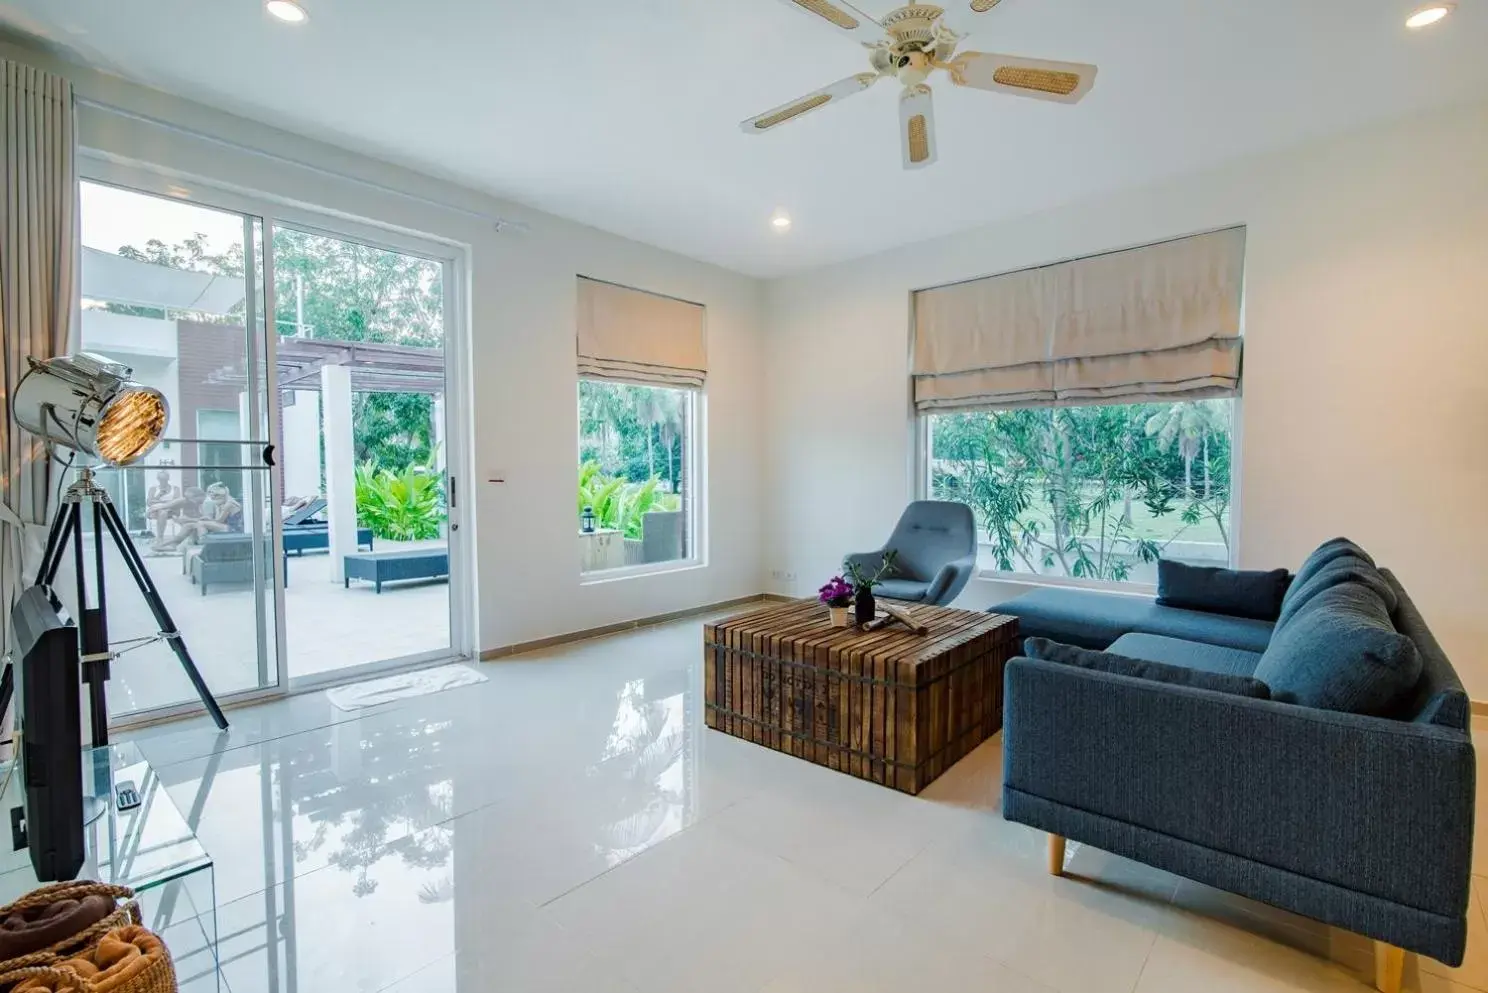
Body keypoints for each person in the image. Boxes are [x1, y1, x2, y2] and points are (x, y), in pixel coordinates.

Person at [155, 483, 240, 550]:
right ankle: (169, 544)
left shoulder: (214, 503)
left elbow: (218, 521)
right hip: (222, 525)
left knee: (198, 524)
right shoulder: (214, 503)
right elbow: (211, 519)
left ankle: (204, 545)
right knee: (189, 525)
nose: (190, 501)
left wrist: (188, 519)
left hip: (232, 529)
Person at [144, 470, 182, 542]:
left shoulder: (175, 488)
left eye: (164, 479)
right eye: (161, 479)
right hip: (155, 511)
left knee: (163, 512)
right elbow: (149, 503)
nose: (163, 481)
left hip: (171, 511)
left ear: (168, 478)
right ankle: (160, 537)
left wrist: (157, 502)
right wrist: (159, 495)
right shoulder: (153, 489)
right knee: (162, 512)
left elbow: (176, 502)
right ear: (158, 479)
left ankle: (160, 537)